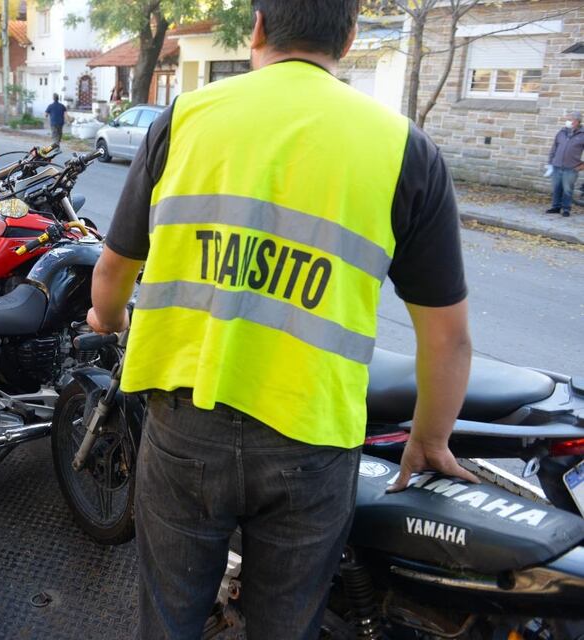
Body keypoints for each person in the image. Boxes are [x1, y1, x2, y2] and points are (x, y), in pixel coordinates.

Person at [85, 0, 477, 637]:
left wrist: (107, 319)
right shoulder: (405, 149)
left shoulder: (184, 118)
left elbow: (113, 272)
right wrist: (430, 439)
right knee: (287, 625)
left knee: (168, 617)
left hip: (186, 425)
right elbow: (449, 337)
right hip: (312, 437)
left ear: (259, 28)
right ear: (348, 39)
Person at [546, 110, 584, 217]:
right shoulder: (561, 132)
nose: (567, 121)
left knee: (567, 189)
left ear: (577, 121)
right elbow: (554, 148)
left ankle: (566, 209)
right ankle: (555, 207)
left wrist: (581, 166)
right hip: (557, 166)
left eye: (570, 119)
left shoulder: (582, 134)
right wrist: (550, 163)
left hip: (571, 168)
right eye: (567, 119)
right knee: (556, 188)